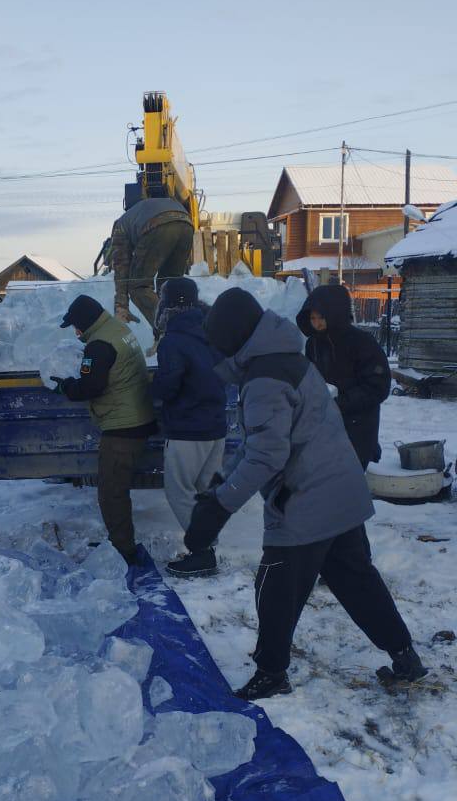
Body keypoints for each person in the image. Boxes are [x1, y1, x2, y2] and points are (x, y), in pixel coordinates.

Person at [167, 287, 426, 698]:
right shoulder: (287, 358)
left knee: (274, 589)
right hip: (340, 489)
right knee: (358, 580)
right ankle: (404, 654)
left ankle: (271, 673)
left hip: (306, 499)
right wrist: (221, 485)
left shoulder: (264, 378)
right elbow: (262, 445)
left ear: (233, 339)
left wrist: (219, 505)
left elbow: (267, 454)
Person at [51, 294, 156, 564]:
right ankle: (121, 542)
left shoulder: (98, 346)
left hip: (123, 426)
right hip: (137, 416)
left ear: (86, 322)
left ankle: (123, 550)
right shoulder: (118, 330)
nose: (75, 332)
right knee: (116, 488)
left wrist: (65, 385)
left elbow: (90, 387)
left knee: (111, 491)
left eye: (76, 326)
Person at [151, 277, 227, 557]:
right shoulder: (212, 331)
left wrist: (148, 389)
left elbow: (169, 386)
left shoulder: (173, 340)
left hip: (187, 429)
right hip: (216, 426)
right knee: (204, 491)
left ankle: (202, 548)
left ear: (167, 305)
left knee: (178, 490)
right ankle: (208, 545)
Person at [296, 283, 391, 469]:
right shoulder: (313, 344)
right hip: (325, 426)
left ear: (335, 314)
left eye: (321, 317)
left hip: (358, 425)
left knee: (350, 482)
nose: (316, 323)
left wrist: (342, 402)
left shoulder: (362, 343)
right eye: (312, 318)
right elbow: (310, 380)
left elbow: (378, 386)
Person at [110, 195, 194, 329]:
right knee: (170, 286)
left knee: (138, 286)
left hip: (157, 224)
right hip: (186, 222)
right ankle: (186, 329)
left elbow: (121, 265)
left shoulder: (120, 227)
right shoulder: (136, 214)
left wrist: (121, 306)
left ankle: (166, 332)